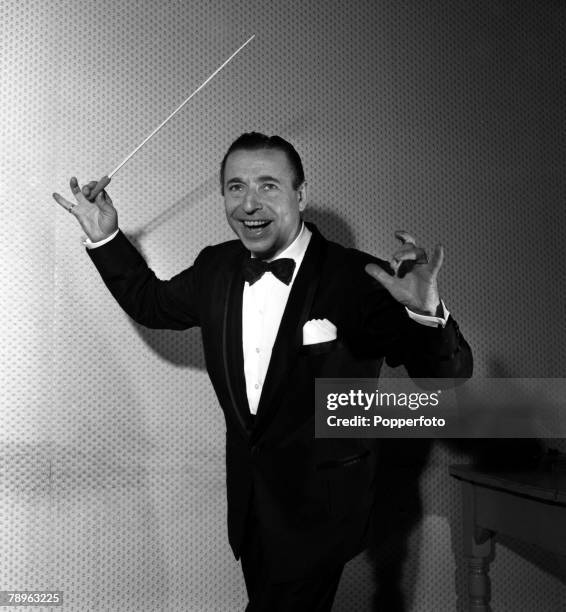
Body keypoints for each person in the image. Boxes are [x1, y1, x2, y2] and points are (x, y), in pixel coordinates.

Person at [53, 132, 472, 611]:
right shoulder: (217, 267)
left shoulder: (359, 279)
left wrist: (427, 312)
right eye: (235, 187)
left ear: (301, 194)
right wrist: (105, 235)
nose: (249, 203)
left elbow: (444, 376)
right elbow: (153, 304)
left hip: (322, 510)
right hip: (252, 508)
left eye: (268, 186)